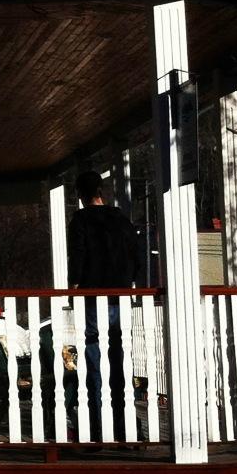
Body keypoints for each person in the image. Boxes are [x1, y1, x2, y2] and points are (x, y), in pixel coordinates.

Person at [67, 169, 144, 439]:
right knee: (120, 359)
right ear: (101, 191)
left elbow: (77, 258)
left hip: (92, 299)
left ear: (79, 194)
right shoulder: (120, 218)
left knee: (94, 358)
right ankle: (125, 426)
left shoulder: (80, 220)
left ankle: (98, 427)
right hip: (119, 297)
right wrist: (128, 280)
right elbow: (137, 256)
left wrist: (74, 287)